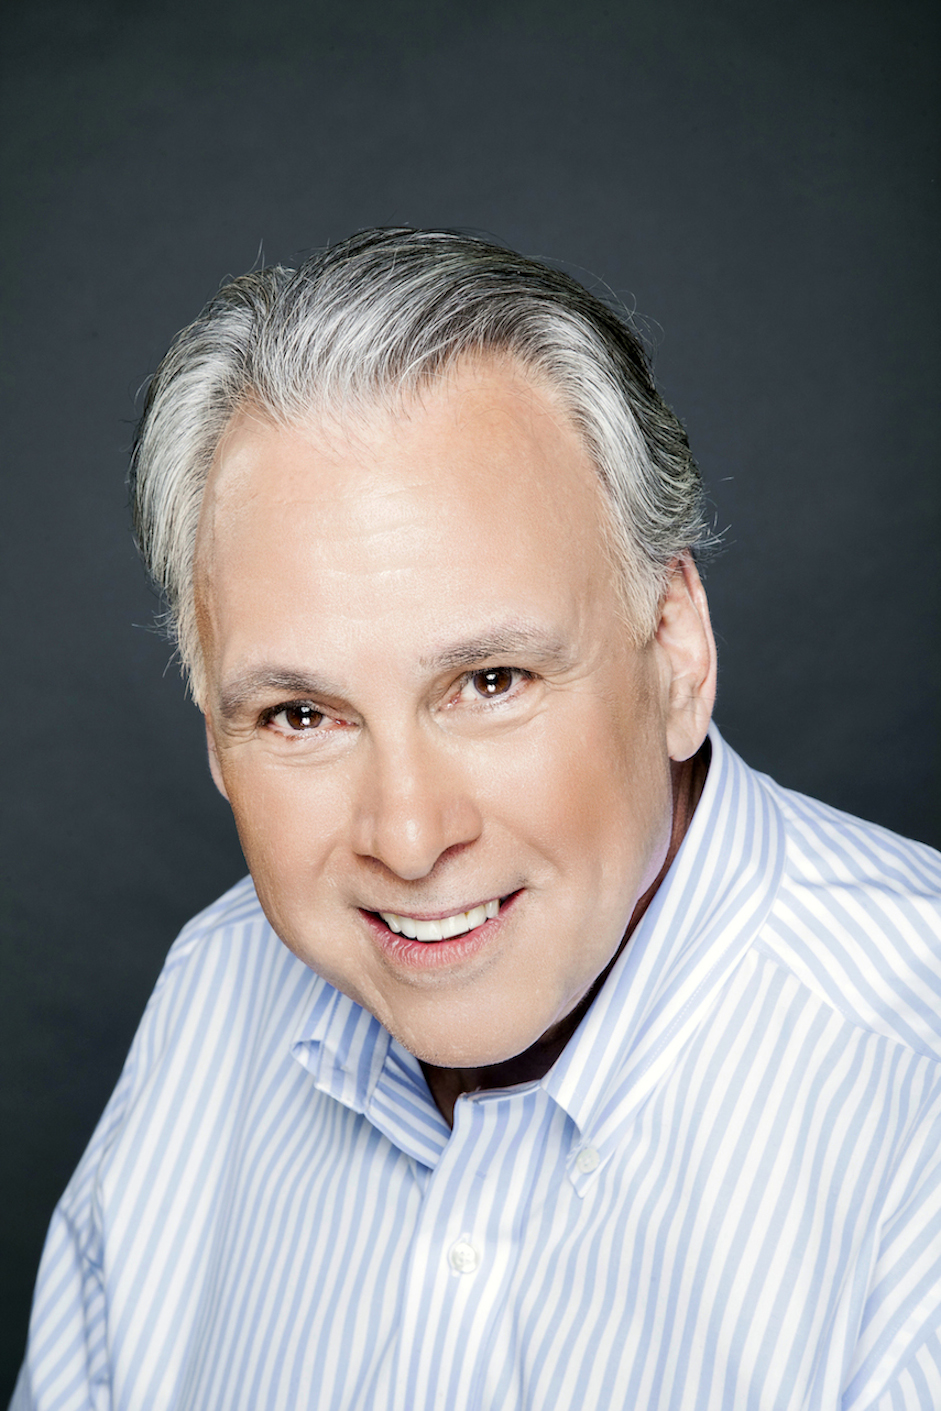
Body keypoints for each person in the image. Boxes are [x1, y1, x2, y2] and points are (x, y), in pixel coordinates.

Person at [12, 229, 941, 1411]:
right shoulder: (213, 997)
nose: (407, 838)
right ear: (213, 734)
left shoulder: (911, 1099)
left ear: (674, 652)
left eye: (489, 682)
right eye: (301, 714)